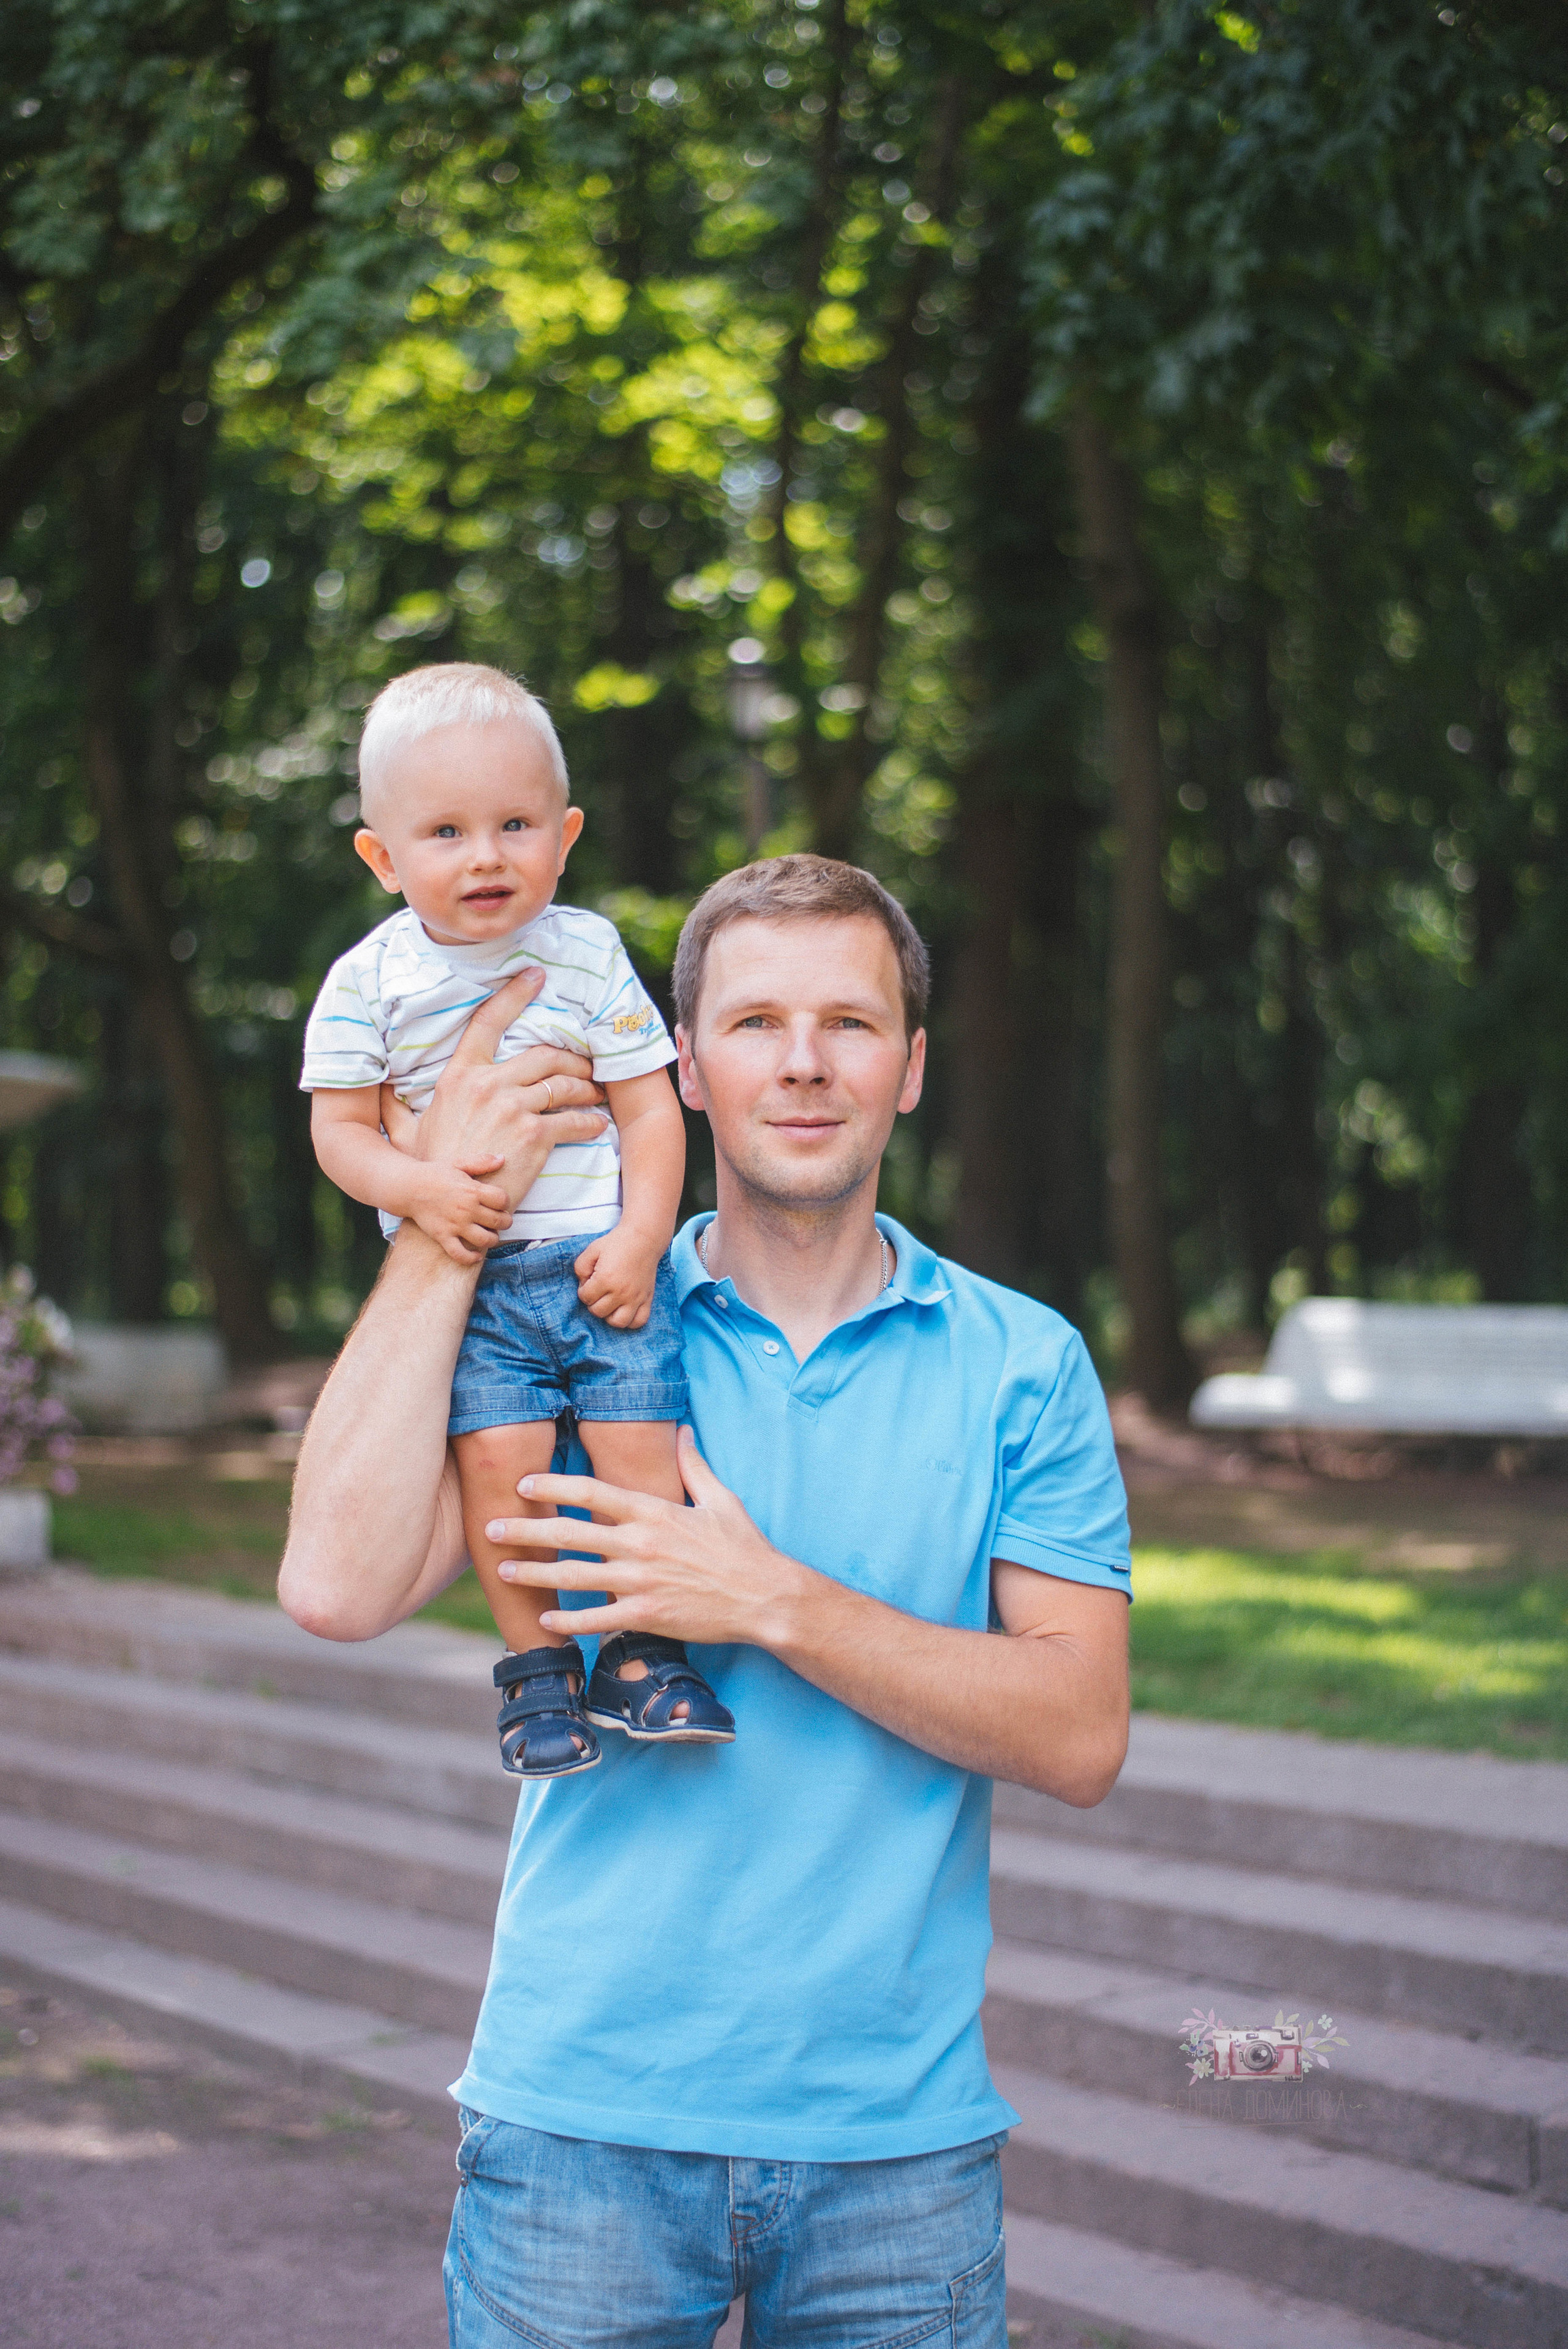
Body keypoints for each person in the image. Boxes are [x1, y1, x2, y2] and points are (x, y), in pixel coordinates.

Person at [279, 852, 1132, 2349]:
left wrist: (768, 1601)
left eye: (849, 1025)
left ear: (911, 1067)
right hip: (577, 2136)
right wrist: (442, 1216)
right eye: (751, 1025)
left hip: (897, 2151)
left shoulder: (1020, 1361)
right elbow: (335, 1588)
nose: (801, 1064)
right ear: (679, 1067)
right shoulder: (567, 1334)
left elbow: (1076, 1734)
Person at [300, 662, 733, 1776]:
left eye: (514, 823)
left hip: (597, 1265)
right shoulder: (368, 980)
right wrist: (425, 1190)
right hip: (482, 1289)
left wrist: (643, 1236)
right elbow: (342, 1134)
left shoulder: (585, 953)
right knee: (506, 1469)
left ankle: (645, 1648)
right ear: (382, 858)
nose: (486, 854)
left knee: (645, 1448)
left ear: (566, 833)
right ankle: (538, 1668)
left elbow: (649, 1104)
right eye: (444, 831)